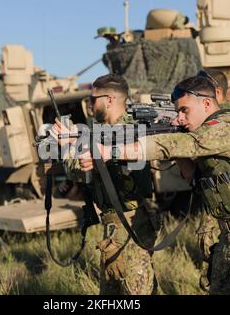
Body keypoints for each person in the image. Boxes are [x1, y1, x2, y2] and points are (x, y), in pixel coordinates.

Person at [104, 75, 230, 295]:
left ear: (207, 103)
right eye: (177, 112)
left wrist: (110, 151)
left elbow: (184, 144)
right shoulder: (209, 134)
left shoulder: (228, 127)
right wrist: (177, 148)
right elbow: (194, 177)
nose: (179, 118)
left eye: (184, 111)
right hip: (229, 239)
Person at [53, 74, 159, 295]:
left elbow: (78, 172)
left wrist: (67, 146)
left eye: (92, 100)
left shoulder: (126, 132)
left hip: (128, 224)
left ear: (109, 99)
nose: (89, 105)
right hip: (119, 224)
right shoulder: (111, 132)